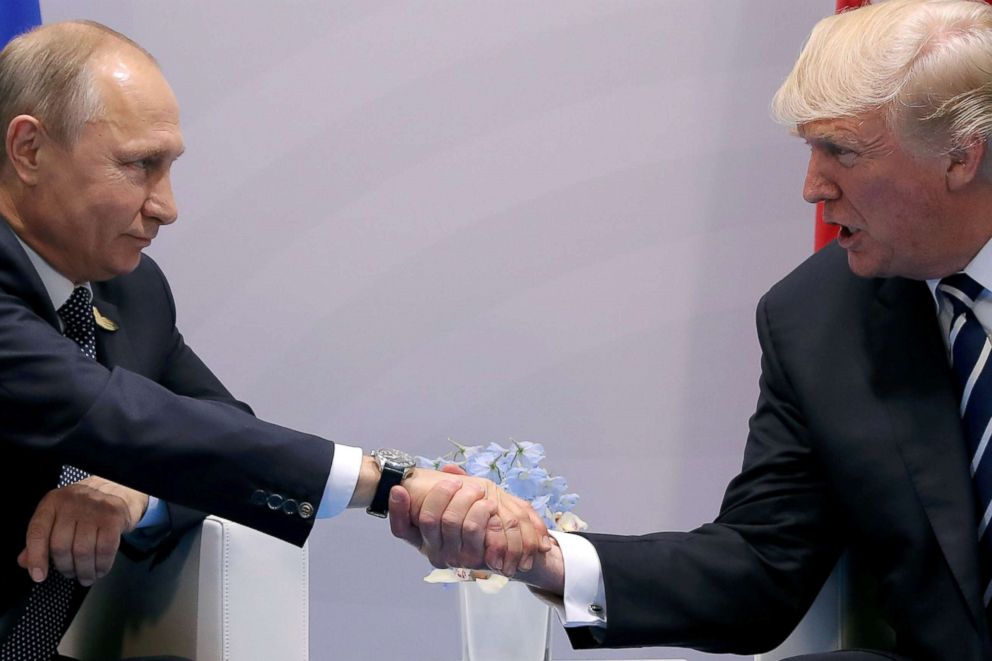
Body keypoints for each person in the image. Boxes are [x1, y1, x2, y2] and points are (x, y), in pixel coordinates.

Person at [391, 1, 992, 659]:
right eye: (809, 148)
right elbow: (762, 567)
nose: (812, 188)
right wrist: (541, 556)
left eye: (839, 150)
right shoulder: (819, 317)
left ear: (961, 156)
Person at [0, 20, 549, 660]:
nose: (166, 206)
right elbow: (116, 418)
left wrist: (135, 496)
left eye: (169, 167)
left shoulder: (131, 290)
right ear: (30, 150)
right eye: (139, 165)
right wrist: (387, 481)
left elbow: (214, 429)